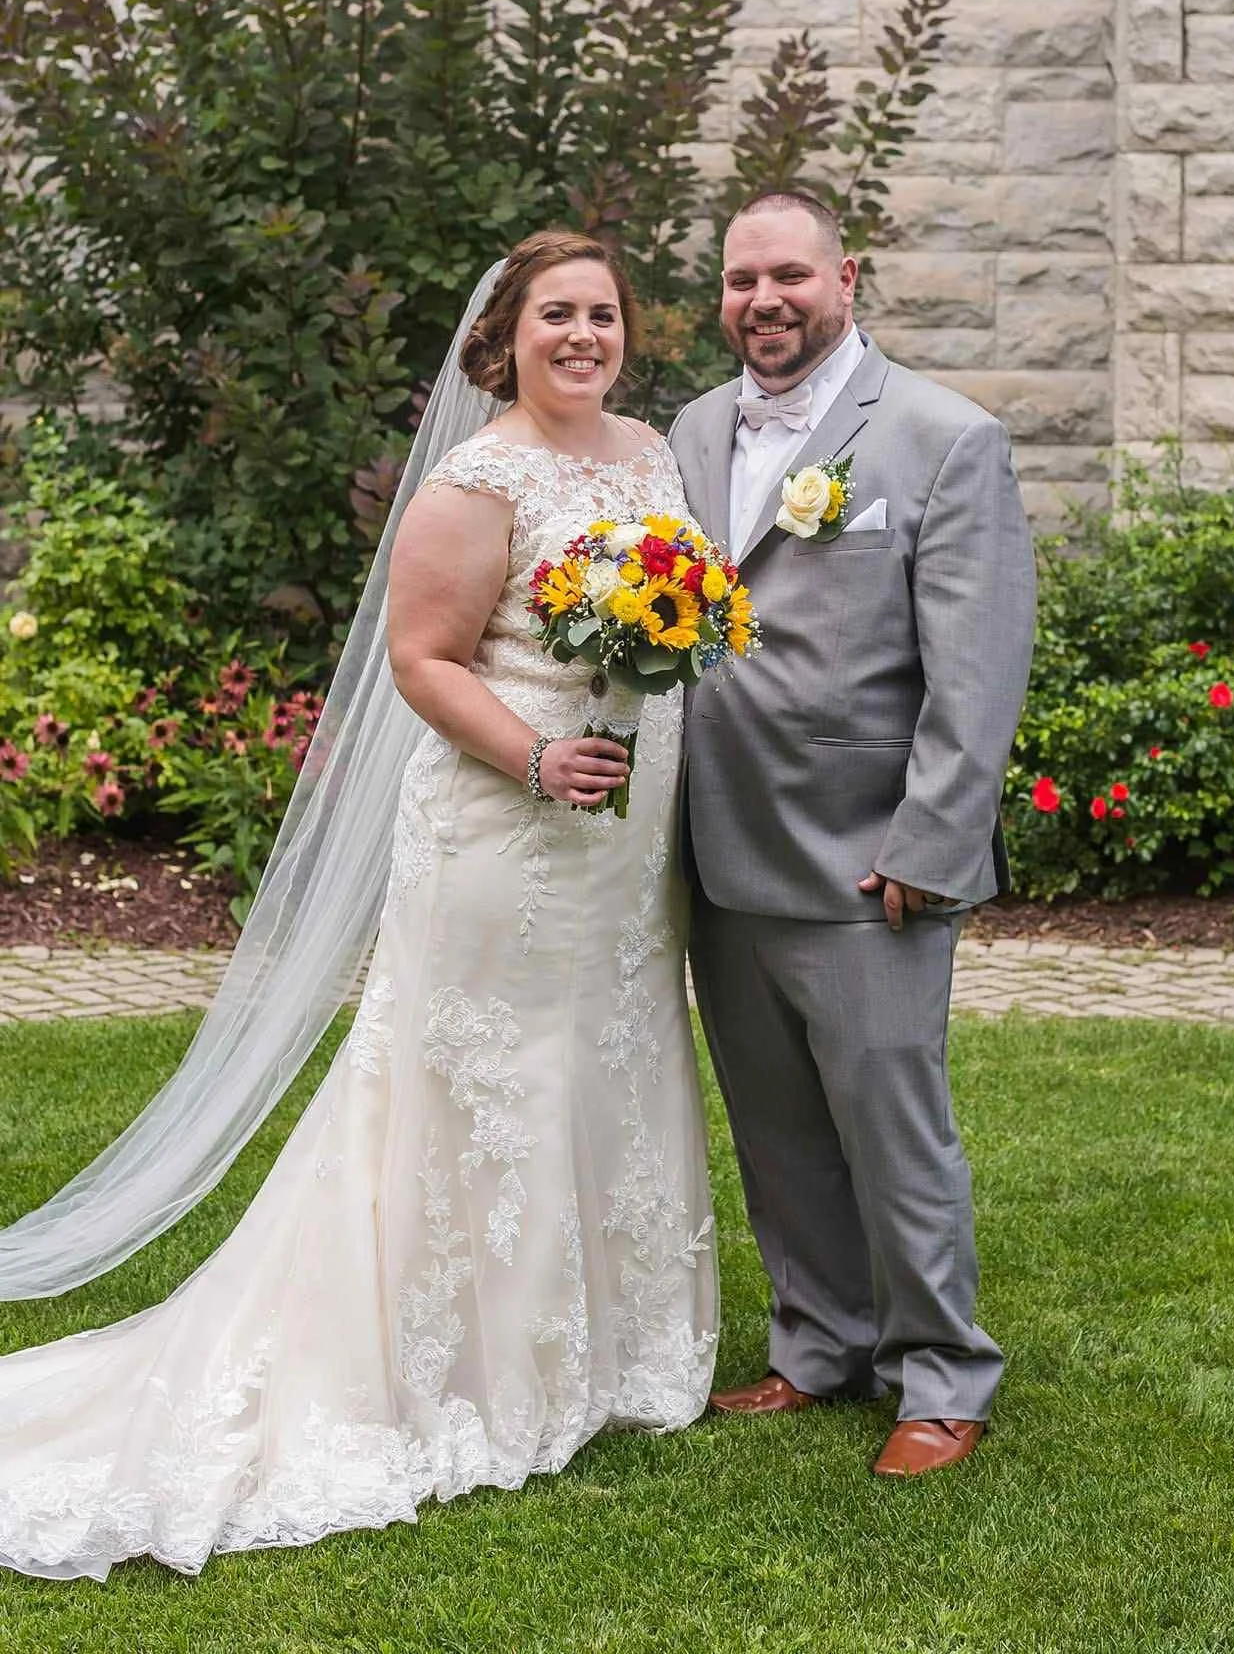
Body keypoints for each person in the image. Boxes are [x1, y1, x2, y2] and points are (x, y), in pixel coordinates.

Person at [0, 229, 716, 1581]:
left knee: (610, 1062)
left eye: (603, 315)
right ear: (501, 337)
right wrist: (535, 755)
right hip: (507, 829)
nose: (582, 336)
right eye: (555, 315)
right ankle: (466, 1372)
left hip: (623, 852)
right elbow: (420, 660)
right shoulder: (473, 479)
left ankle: (607, 1354)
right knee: (485, 1078)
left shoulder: (650, 452)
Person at [669, 191, 1035, 1478]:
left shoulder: (946, 436)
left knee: (893, 1124)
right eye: (738, 280)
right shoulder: (693, 428)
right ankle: (818, 1341)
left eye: (788, 276)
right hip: (718, 847)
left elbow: (978, 672)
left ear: (846, 277)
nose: (762, 301)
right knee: (773, 1123)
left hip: (867, 859)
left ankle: (941, 1370)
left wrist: (930, 847)